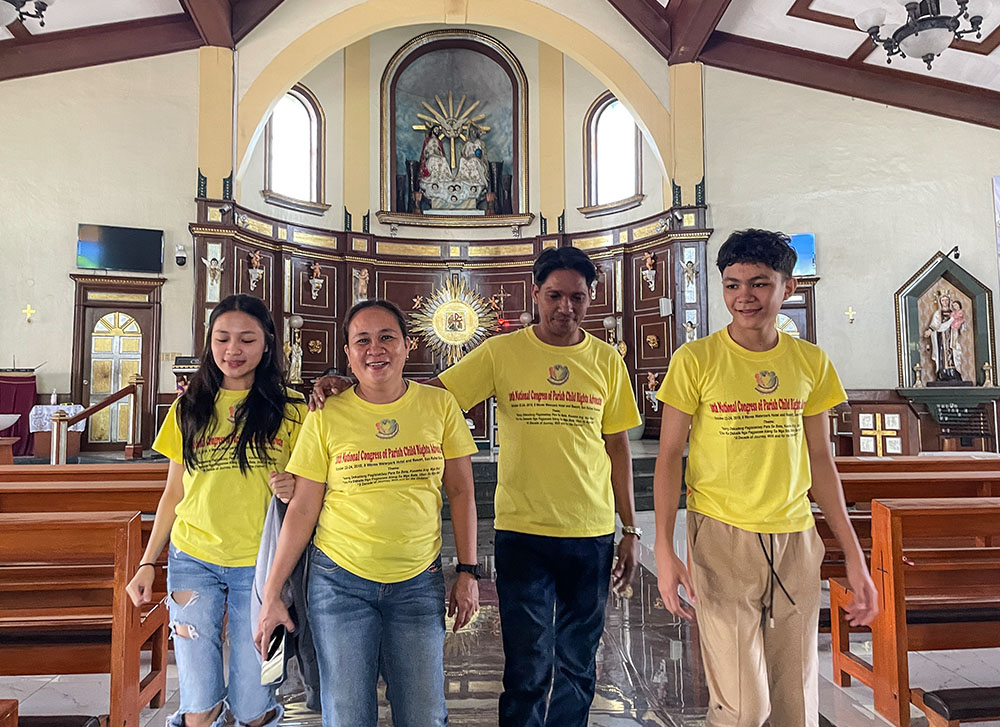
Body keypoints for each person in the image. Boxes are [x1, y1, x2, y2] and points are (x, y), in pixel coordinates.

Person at [311, 245, 643, 727]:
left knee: (579, 663)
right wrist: (359, 382)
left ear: (591, 297)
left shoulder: (607, 361)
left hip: (589, 531)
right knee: (527, 667)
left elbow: (617, 447)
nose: (564, 307)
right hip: (521, 532)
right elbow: (430, 396)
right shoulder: (501, 352)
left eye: (577, 297)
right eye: (554, 295)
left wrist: (629, 530)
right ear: (535, 293)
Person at [653, 229, 878, 727]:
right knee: (743, 708)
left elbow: (821, 460)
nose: (744, 297)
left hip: (795, 538)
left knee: (795, 702)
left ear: (788, 288)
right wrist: (665, 549)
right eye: (732, 285)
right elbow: (669, 457)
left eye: (759, 283)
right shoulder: (696, 360)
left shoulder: (810, 362)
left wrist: (855, 556)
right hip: (721, 536)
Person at [255, 299, 480, 727]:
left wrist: (468, 571)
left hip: (417, 583)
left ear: (408, 345)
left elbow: (461, 492)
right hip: (339, 585)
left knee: (424, 714)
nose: (375, 349)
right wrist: (271, 594)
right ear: (348, 354)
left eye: (387, 338)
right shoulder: (325, 415)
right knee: (347, 716)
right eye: (362, 340)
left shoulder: (439, 406)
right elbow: (303, 509)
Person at [125, 294, 306, 727]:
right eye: (222, 338)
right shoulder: (188, 408)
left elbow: (315, 487)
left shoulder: (294, 410)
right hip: (194, 561)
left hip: (265, 567)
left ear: (267, 344)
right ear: (209, 343)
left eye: (247, 339)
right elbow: (173, 493)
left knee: (254, 702)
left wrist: (294, 486)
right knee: (198, 701)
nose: (233, 350)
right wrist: (149, 562)